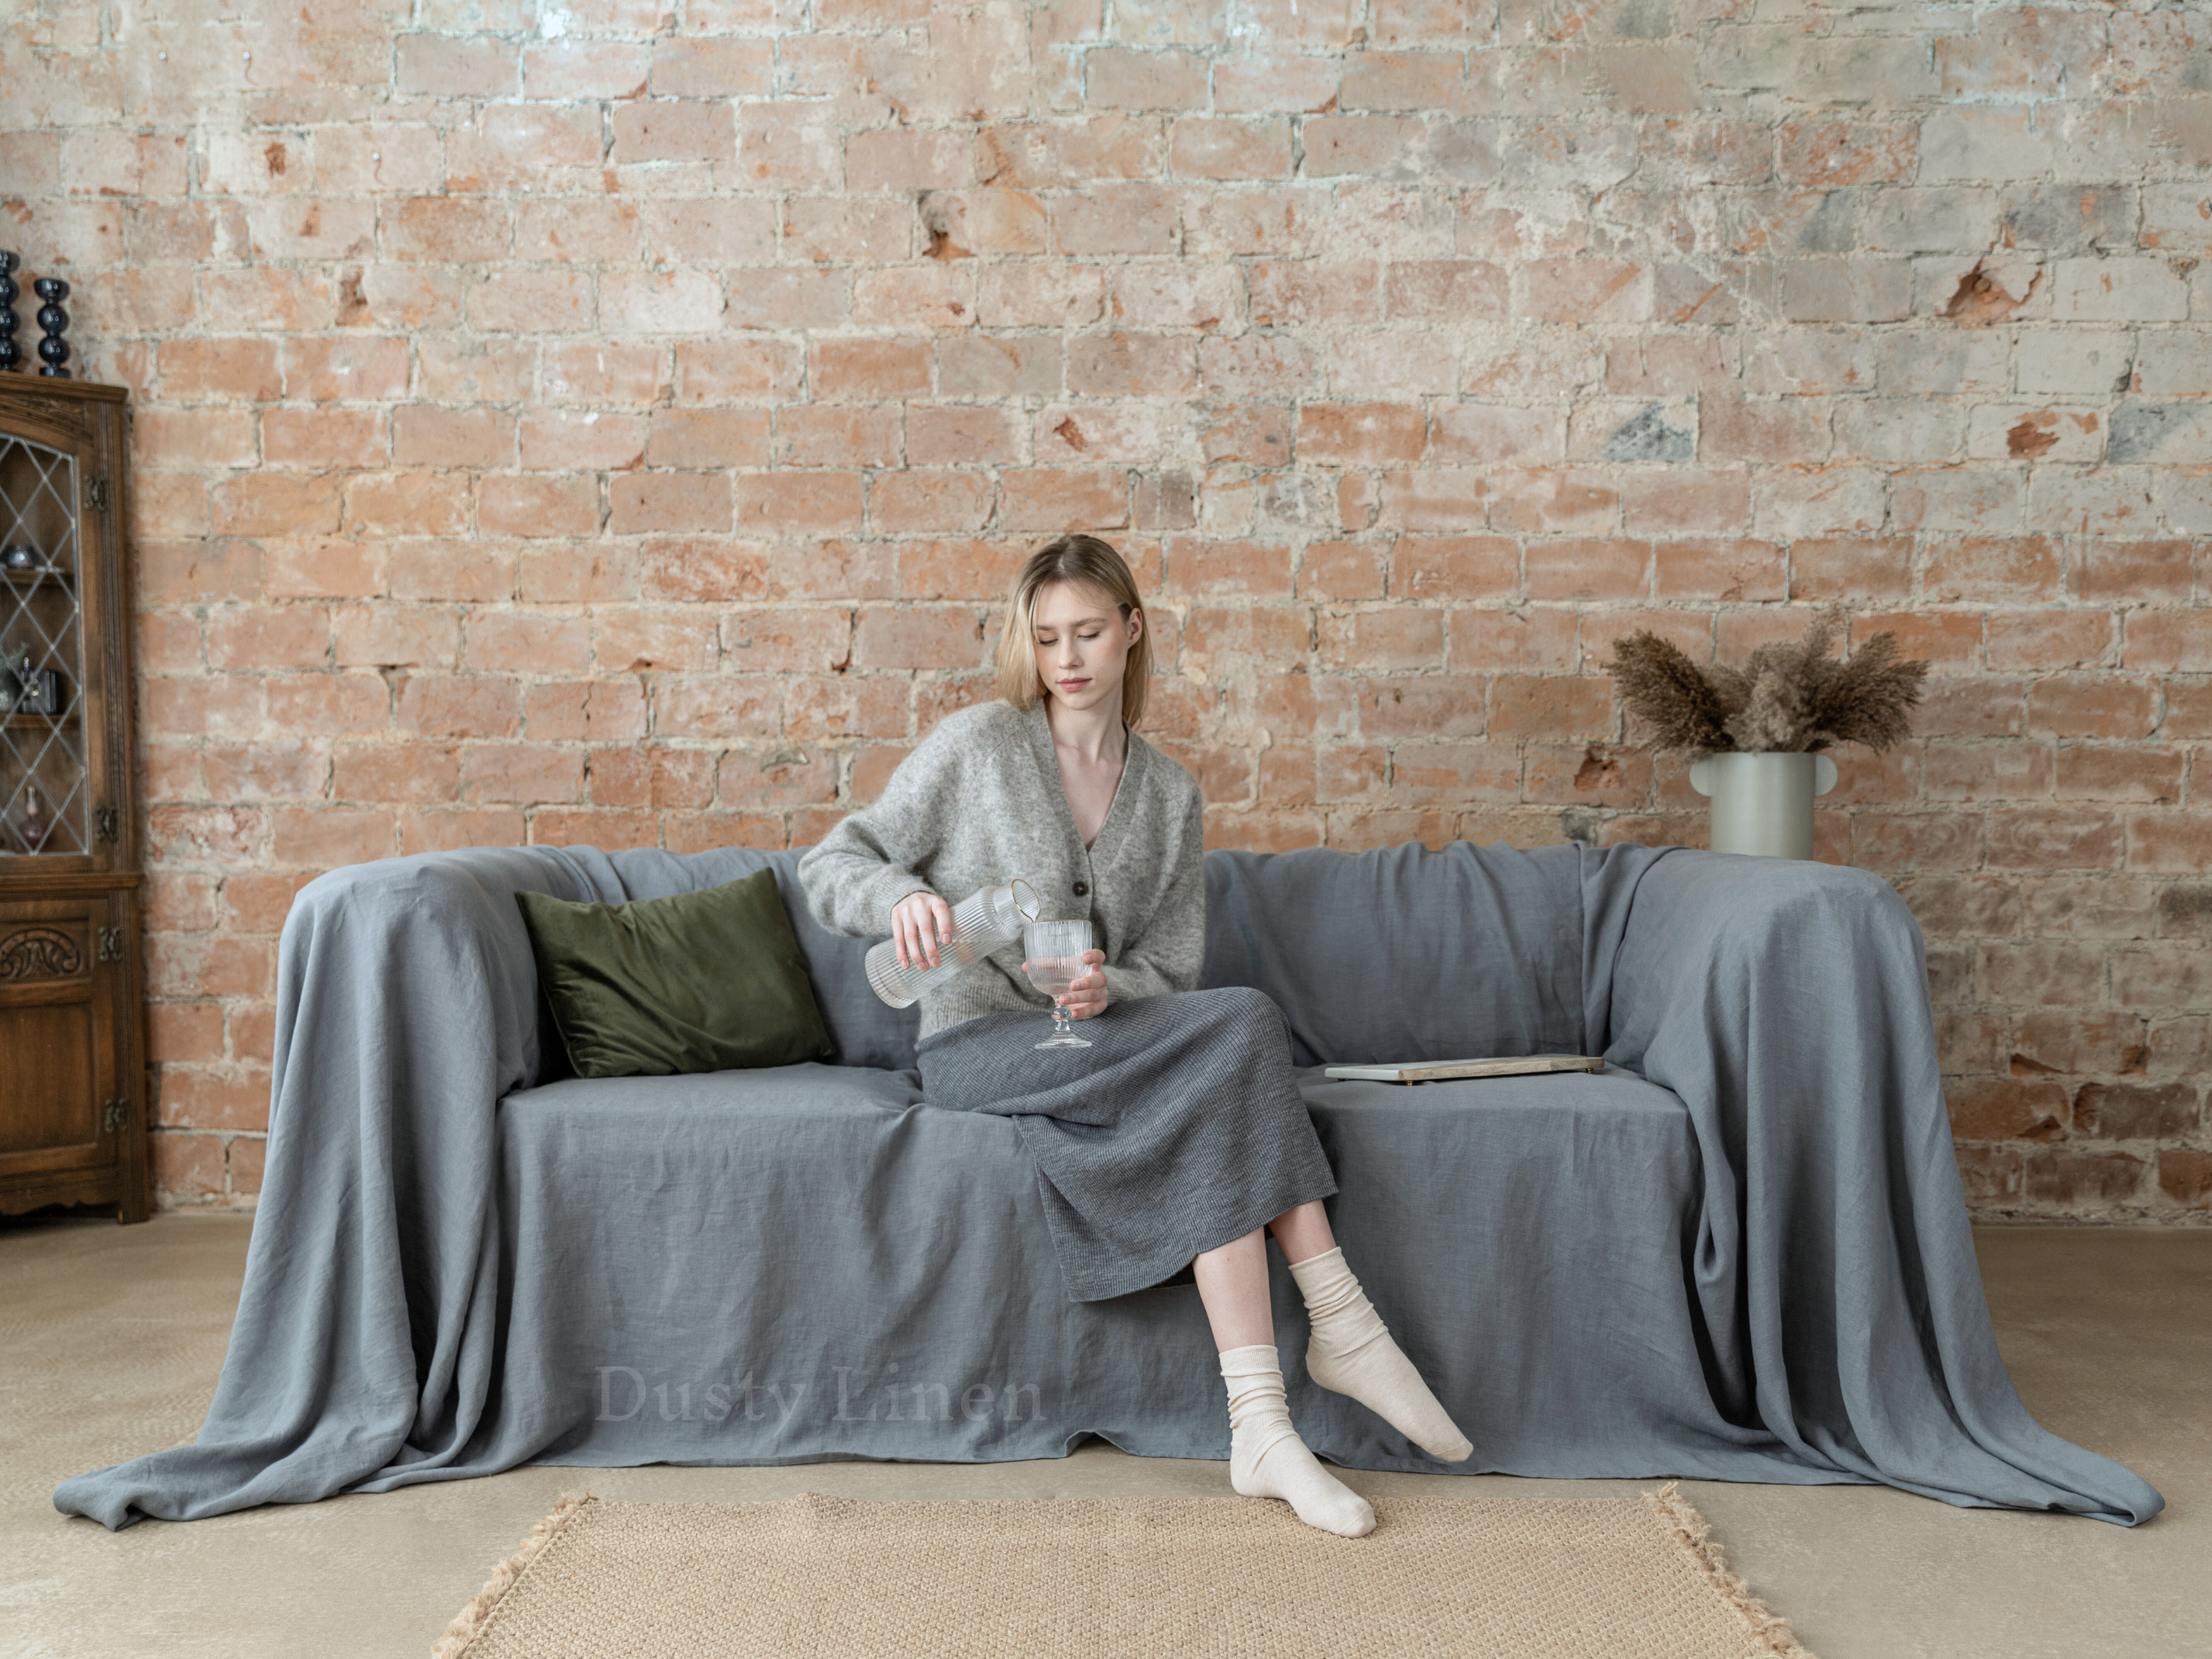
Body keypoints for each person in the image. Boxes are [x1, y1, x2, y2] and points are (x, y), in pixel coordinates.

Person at [796, 534, 1471, 1538]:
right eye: (1047, 637)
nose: (1066, 658)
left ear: (1132, 631)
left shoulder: (1169, 793)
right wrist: (898, 897)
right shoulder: (981, 744)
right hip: (978, 1046)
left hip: (1098, 1040)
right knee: (1242, 1026)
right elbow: (832, 862)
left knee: (1217, 1083)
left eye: (1088, 633)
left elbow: (1168, 969)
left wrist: (1110, 986)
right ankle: (1344, 1324)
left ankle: (1262, 1429)